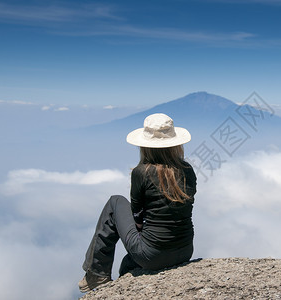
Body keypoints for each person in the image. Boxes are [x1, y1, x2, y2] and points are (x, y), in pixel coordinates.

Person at [79, 113, 197, 293]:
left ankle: (97, 274)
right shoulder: (187, 170)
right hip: (185, 250)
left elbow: (137, 216)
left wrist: (145, 240)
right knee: (129, 262)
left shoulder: (142, 172)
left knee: (115, 202)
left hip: (152, 255)